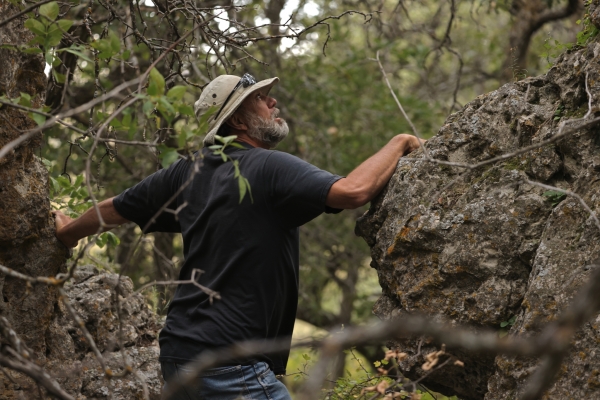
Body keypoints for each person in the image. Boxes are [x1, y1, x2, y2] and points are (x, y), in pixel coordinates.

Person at [53, 73, 424, 400]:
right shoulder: (268, 165)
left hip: (178, 355)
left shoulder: (186, 171)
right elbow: (353, 192)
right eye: (260, 99)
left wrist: (68, 231)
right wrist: (399, 141)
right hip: (229, 365)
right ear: (236, 120)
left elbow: (115, 209)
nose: (273, 102)